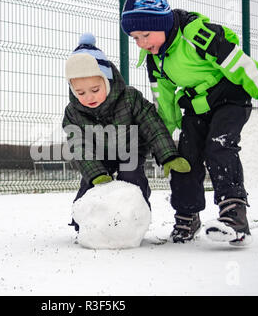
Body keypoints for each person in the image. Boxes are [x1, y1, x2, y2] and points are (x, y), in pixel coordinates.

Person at [121, 0, 258, 245]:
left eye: (145, 35)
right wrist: (161, 141)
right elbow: (164, 103)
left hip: (230, 98)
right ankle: (187, 216)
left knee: (219, 147)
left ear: (163, 24)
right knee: (184, 158)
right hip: (197, 107)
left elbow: (243, 66)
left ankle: (234, 216)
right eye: (135, 39)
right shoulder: (155, 60)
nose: (141, 44)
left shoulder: (196, 34)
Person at [62, 32, 191, 232]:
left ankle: (136, 218)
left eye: (95, 89)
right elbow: (80, 147)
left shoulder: (130, 98)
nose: (88, 97)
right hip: (98, 156)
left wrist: (168, 155)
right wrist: (96, 175)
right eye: (80, 92)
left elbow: (152, 125)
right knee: (92, 186)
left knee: (131, 177)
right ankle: (85, 223)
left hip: (130, 151)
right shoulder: (73, 113)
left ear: (107, 80)